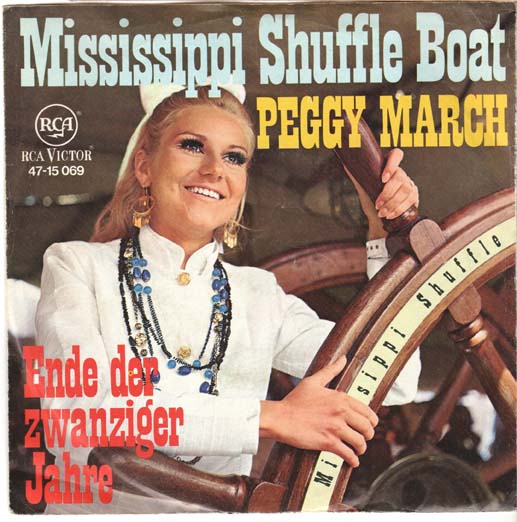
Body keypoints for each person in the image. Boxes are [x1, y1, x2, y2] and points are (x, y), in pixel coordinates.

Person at [35, 84, 421, 513]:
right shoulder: (76, 265)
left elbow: (395, 378)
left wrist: (380, 234)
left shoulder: (258, 295)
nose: (214, 169)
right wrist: (273, 417)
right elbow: (79, 417)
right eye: (192, 146)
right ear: (144, 166)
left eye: (234, 157)